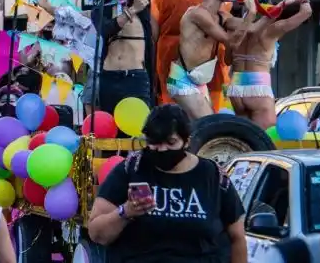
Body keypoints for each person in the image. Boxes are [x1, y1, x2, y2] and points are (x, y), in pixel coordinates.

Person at [88, 104, 247, 263]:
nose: (162, 149)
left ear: (186, 142)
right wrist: (126, 212)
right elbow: (96, 233)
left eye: (171, 142)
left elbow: (238, 237)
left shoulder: (212, 175)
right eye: (155, 142)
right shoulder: (131, 169)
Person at [151, 0, 230, 109]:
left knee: (175, 114)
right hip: (209, 65)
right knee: (211, 117)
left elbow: (153, 35)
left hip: (171, 64)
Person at [174, 0, 256, 120]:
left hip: (199, 81)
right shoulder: (197, 13)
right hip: (182, 79)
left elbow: (252, 28)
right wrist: (250, 14)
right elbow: (231, 40)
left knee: (200, 130)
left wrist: (273, 11)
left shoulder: (222, 16)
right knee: (210, 125)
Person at [228, 0, 312, 128]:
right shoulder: (272, 29)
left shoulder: (233, 24)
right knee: (262, 141)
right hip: (258, 87)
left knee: (244, 141)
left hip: (236, 87)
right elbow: (306, 12)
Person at [88, 0, 153, 115]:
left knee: (139, 128)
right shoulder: (101, 9)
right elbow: (106, 29)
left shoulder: (142, 4)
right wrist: (130, 12)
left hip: (135, 78)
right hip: (109, 77)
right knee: (112, 128)